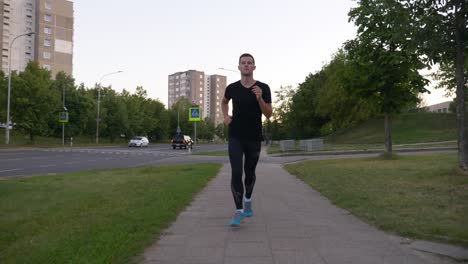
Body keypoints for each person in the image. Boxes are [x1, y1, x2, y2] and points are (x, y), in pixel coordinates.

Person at [221, 53, 272, 226]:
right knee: (236, 172)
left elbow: (269, 113)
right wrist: (225, 116)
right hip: (235, 135)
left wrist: (259, 98)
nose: (246, 65)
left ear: (254, 67)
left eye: (250, 63)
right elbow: (223, 102)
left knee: (249, 173)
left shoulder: (263, 88)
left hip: (254, 137)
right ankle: (239, 210)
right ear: (239, 67)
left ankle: (248, 200)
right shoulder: (232, 88)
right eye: (243, 63)